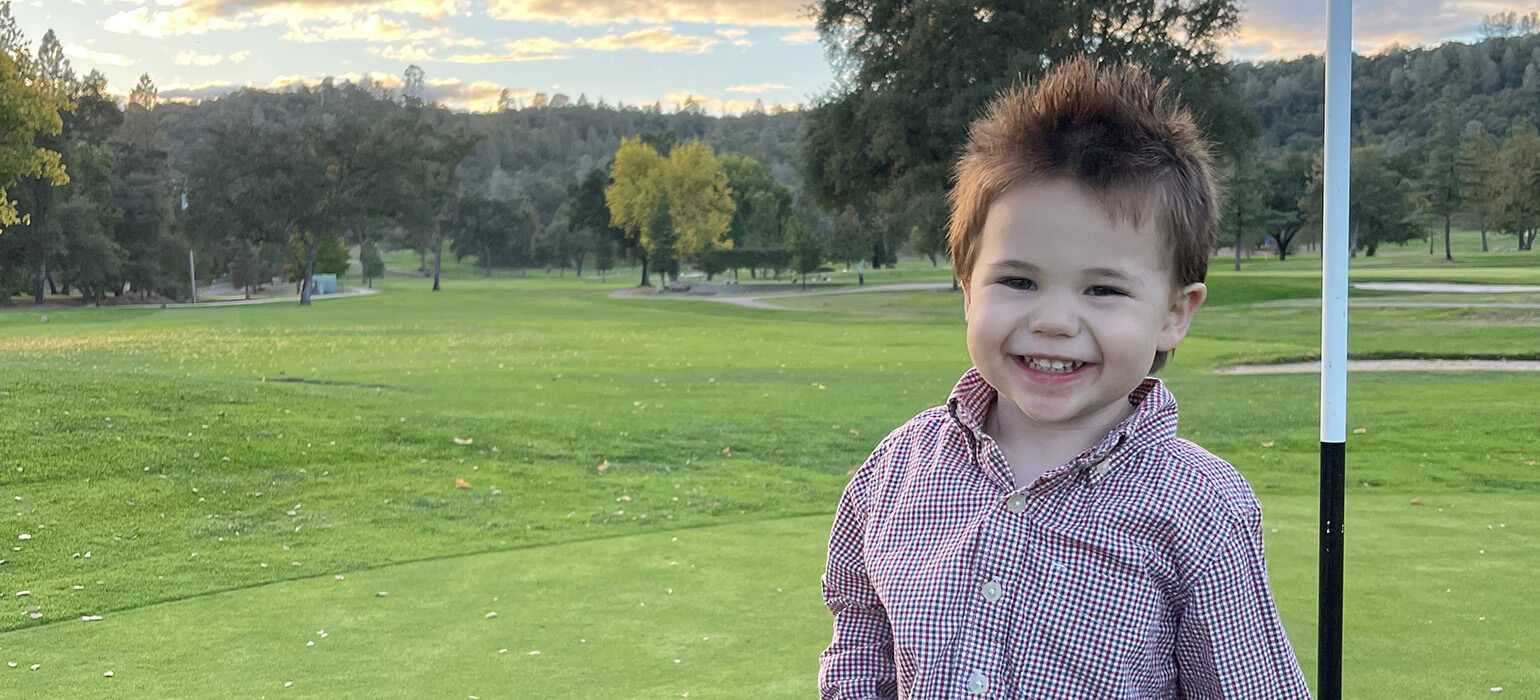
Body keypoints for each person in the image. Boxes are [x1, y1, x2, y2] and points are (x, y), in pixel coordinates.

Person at [817, 56, 1312, 699]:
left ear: (1172, 315)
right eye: (1018, 281)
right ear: (968, 291)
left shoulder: (1200, 508)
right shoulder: (894, 474)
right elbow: (861, 647)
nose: (1053, 321)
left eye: (1103, 289)